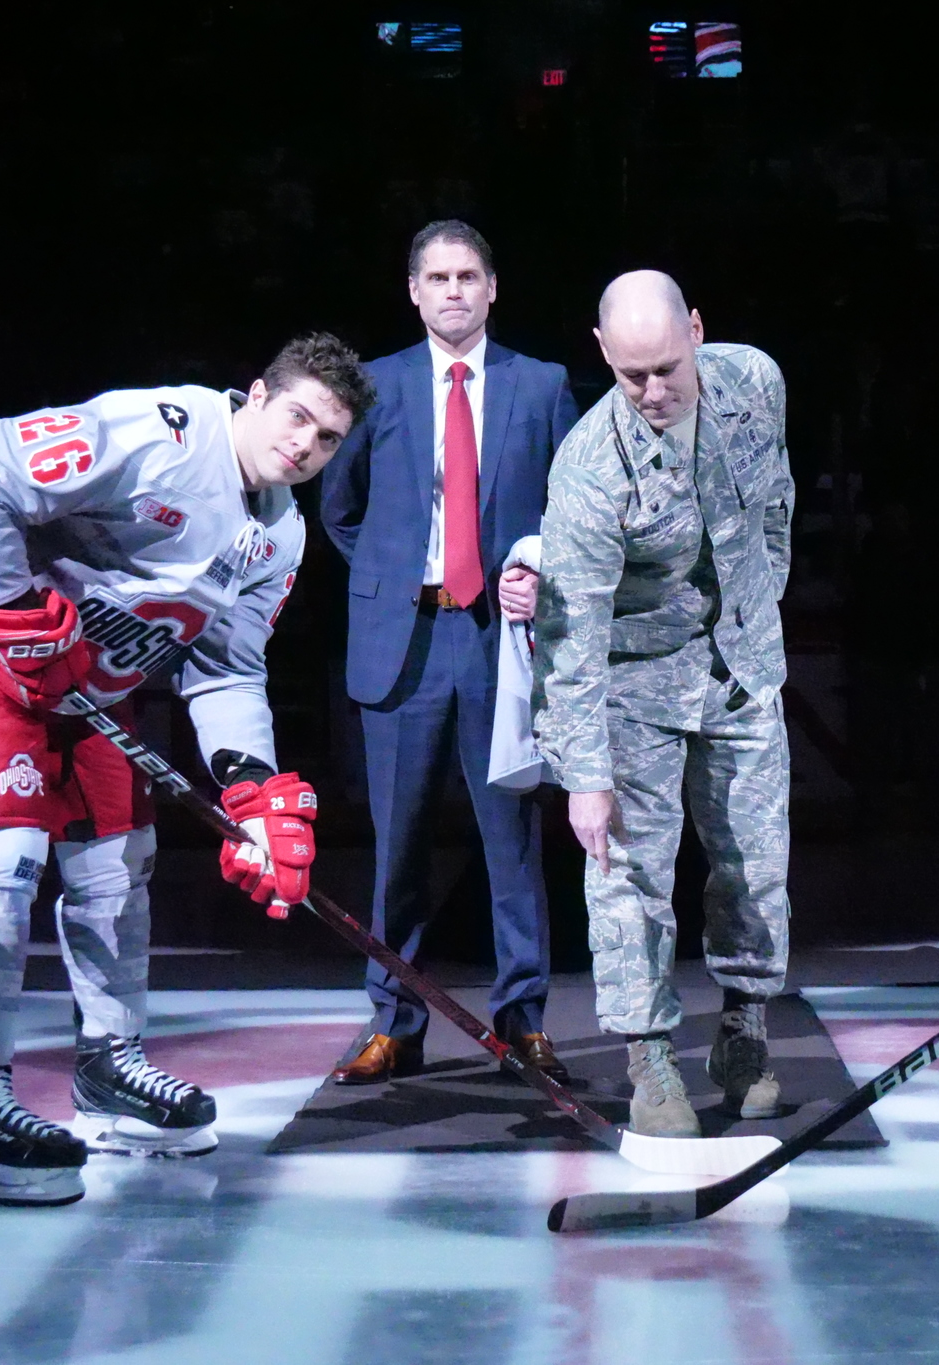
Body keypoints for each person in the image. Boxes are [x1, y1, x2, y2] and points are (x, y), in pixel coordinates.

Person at [0, 333, 375, 1205]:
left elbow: (225, 665)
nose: (303, 445)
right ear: (255, 394)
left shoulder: (282, 536)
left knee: (118, 861)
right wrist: (11, 605)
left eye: (326, 438)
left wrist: (252, 793)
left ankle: (108, 1069)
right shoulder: (161, 435)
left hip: (84, 679)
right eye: (296, 416)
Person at [534, 270, 795, 1137]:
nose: (651, 390)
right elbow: (570, 633)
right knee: (629, 874)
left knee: (755, 862)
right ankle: (649, 1055)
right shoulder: (588, 468)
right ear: (602, 354)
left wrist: (763, 607)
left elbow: (777, 503)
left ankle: (744, 1032)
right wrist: (584, 774)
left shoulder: (753, 382)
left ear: (697, 330)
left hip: (741, 666)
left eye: (667, 368)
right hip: (633, 682)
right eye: (631, 373)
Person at [319, 221, 579, 1084]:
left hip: (499, 641)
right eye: (438, 277)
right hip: (408, 638)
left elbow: (574, 511)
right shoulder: (375, 385)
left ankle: (523, 1021)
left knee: (512, 843)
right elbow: (340, 507)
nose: (454, 290)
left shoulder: (538, 385)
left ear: (493, 288)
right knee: (397, 847)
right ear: (414, 290)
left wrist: (540, 574)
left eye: (469, 275)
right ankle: (394, 1020)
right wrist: (396, 577)